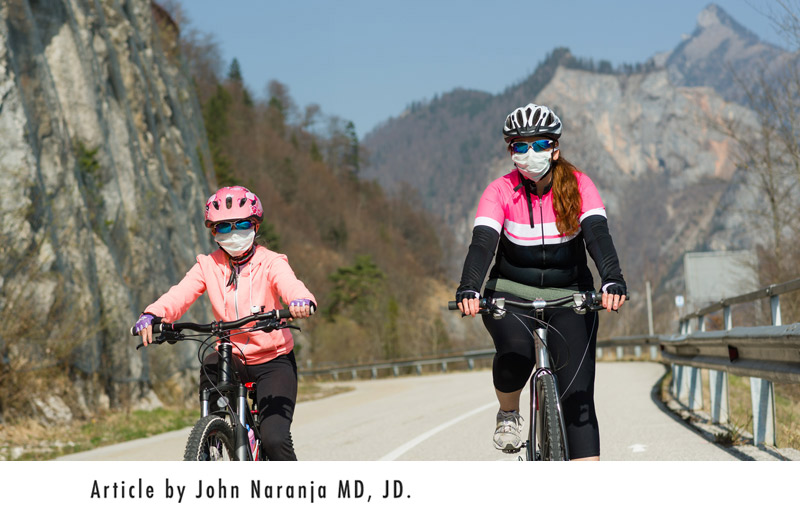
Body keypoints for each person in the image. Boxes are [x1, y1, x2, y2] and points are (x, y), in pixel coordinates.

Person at [455, 103, 626, 461]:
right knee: (515, 355)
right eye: (520, 146)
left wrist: (612, 279)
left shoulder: (580, 185)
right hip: (511, 293)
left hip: (571, 295)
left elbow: (597, 236)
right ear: (510, 152)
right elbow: (483, 243)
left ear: (555, 149)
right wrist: (469, 286)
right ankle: (508, 413)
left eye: (538, 145)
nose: (529, 154)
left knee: (577, 400)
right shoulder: (499, 191)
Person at [133, 185, 315, 461]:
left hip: (273, 360)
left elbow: (291, 285)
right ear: (213, 232)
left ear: (254, 225)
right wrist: (153, 315)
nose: (233, 233)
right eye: (222, 228)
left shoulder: (271, 262)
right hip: (233, 357)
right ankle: (215, 434)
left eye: (241, 224)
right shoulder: (208, 266)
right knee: (210, 362)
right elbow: (179, 294)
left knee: (275, 439)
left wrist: (300, 301)